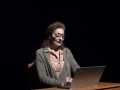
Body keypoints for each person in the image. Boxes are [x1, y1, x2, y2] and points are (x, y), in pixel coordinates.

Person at [35, 21, 80, 88]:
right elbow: (42, 78)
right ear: (50, 36)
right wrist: (61, 83)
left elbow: (76, 69)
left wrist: (85, 75)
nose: (61, 39)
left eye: (62, 36)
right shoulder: (40, 53)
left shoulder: (67, 51)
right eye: (57, 35)